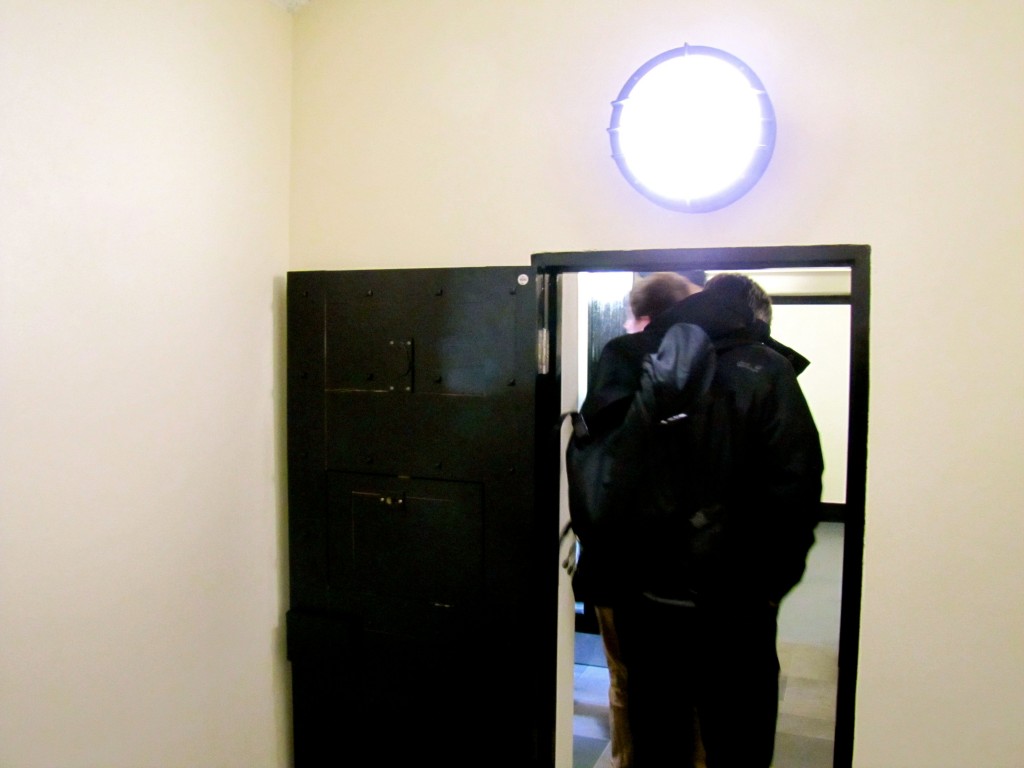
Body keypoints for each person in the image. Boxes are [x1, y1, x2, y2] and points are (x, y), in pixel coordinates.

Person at [581, 272, 823, 767]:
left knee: (658, 739)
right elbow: (796, 487)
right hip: (739, 606)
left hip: (646, 603)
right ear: (754, 317)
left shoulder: (628, 357)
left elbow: (596, 477)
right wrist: (770, 586)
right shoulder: (765, 369)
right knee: (739, 741)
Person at [575, 271, 703, 768]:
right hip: (690, 569)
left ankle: (628, 759)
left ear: (643, 316)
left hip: (620, 566)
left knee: (627, 680)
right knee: (692, 684)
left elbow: (599, 472)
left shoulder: (623, 361)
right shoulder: (711, 366)